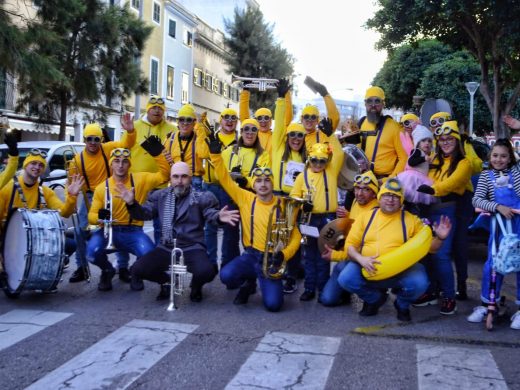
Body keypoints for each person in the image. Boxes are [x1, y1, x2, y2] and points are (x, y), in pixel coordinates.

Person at [117, 162, 240, 301]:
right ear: (170, 178)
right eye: (175, 177)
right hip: (166, 246)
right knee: (137, 270)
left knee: (207, 271)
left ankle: (196, 286)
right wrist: (131, 204)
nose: (179, 181)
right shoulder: (160, 196)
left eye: (184, 177)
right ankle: (166, 282)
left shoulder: (202, 197)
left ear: (190, 178)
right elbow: (145, 214)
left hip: (192, 246)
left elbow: (210, 213)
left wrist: (219, 216)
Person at [331, 178, 451, 321]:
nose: (390, 200)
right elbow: (350, 246)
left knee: (420, 282)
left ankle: (402, 304)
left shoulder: (412, 220)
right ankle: (374, 299)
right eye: (387, 195)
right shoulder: (365, 217)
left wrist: (440, 238)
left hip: (401, 271)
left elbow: (431, 249)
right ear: (380, 198)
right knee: (346, 278)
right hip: (367, 267)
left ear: (401, 200)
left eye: (395, 196)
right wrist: (361, 259)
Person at [208, 134, 301, 312]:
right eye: (258, 181)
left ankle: (267, 281)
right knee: (226, 276)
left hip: (272, 259)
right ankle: (248, 283)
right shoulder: (245, 198)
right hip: (251, 255)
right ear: (253, 184)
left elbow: (295, 234)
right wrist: (215, 155)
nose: (263, 184)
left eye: (267, 180)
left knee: (274, 305)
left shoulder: (283, 204)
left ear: (272, 183)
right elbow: (225, 179)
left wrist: (284, 255)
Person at [86, 147, 170, 292]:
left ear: (129, 164)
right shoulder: (101, 188)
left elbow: (164, 175)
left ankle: (136, 272)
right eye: (116, 161)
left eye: (125, 161)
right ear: (111, 164)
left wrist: (158, 155)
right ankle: (107, 270)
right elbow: (91, 216)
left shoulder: (141, 179)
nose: (120, 165)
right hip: (109, 231)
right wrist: (103, 217)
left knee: (149, 254)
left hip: (133, 231)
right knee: (91, 253)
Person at [414, 121, 472, 314]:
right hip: (428, 210)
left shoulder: (464, 163)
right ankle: (431, 291)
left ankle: (449, 296)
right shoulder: (434, 159)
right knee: (426, 253)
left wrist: (433, 189)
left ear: (457, 140)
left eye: (450, 139)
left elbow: (452, 183)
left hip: (447, 210)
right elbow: (418, 173)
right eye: (442, 139)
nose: (446, 142)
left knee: (441, 254)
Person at [68, 121, 136, 283]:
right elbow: (70, 184)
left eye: (96, 139)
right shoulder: (77, 160)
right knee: (80, 232)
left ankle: (123, 267)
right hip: (90, 197)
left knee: (119, 227)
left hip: (112, 194)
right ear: (84, 139)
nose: (93, 143)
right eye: (89, 139)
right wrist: (70, 198)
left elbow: (127, 144)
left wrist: (130, 131)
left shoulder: (108, 149)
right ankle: (82, 267)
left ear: (101, 139)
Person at [429, 111, 482, 300]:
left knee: (459, 244)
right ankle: (435, 285)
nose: (444, 139)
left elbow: (476, 165)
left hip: (461, 198)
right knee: (438, 245)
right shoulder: (435, 154)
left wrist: (463, 152)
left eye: (441, 122)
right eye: (434, 123)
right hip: (439, 203)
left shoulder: (464, 146)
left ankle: (461, 285)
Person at [469, 139, 520, 329]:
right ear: (490, 157)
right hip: (499, 228)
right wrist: (497, 206)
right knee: (493, 264)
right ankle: (488, 304)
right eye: (495, 155)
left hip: (518, 225)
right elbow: (477, 200)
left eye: (504, 156)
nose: (499, 159)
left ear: (510, 159)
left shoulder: (516, 173)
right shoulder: (485, 176)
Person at [290, 136, 343, 302]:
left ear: (327, 161)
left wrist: (331, 136)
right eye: (314, 160)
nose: (318, 164)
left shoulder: (331, 171)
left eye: (322, 161)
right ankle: (309, 288)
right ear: (309, 159)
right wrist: (301, 204)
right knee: (310, 255)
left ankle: (323, 288)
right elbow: (293, 196)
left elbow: (339, 154)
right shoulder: (302, 176)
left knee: (324, 255)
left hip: (328, 219)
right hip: (309, 219)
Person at [122, 95, 177, 245]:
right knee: (131, 223)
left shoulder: (172, 129)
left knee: (161, 226)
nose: (157, 111)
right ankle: (124, 264)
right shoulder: (134, 126)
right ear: (148, 109)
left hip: (161, 185)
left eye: (160, 108)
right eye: (154, 108)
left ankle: (160, 258)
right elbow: (122, 150)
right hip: (136, 185)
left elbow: (176, 155)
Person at [320, 170, 380, 306]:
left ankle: (374, 294)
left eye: (366, 189)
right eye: (357, 188)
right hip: (349, 254)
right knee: (326, 299)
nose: (359, 193)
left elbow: (360, 249)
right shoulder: (355, 202)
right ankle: (346, 288)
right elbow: (356, 224)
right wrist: (347, 216)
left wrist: (335, 255)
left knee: (329, 295)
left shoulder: (375, 212)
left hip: (364, 260)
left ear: (374, 193)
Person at [201, 108, 241, 270]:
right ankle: (210, 262)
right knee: (209, 226)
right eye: (226, 117)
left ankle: (226, 263)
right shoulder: (213, 136)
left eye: (233, 118)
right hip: (210, 186)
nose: (230, 121)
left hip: (229, 188)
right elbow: (202, 154)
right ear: (221, 119)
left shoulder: (240, 140)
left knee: (229, 227)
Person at [0, 149, 84, 223]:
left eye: (41, 165)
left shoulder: (45, 192)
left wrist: (72, 196)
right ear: (25, 166)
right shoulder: (8, 188)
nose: (37, 167)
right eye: (33, 163)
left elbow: (65, 213)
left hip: (33, 239)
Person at [358, 86, 407, 178]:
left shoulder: (395, 127)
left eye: (377, 101)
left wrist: (389, 180)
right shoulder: (360, 124)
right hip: (361, 180)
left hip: (383, 182)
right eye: (369, 101)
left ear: (383, 104)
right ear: (365, 104)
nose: (373, 105)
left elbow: (404, 158)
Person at [163, 104, 208, 191]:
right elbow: (163, 161)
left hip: (194, 180)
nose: (185, 123)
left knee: (194, 204)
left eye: (189, 120)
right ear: (178, 122)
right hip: (177, 179)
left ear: (194, 123)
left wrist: (199, 127)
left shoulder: (199, 137)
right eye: (181, 119)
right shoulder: (170, 138)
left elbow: (204, 154)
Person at [239, 83, 293, 154]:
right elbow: (244, 118)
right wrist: (245, 91)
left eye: (266, 118)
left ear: (270, 120)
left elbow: (286, 120)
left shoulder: (277, 136)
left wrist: (286, 94)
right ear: (255, 120)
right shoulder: (251, 135)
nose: (263, 121)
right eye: (260, 118)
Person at [397, 125, 436, 216]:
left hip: (422, 179)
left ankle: (419, 216)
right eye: (423, 141)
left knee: (418, 202)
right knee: (408, 199)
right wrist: (424, 159)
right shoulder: (416, 151)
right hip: (412, 178)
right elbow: (411, 162)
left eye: (429, 141)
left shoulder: (428, 155)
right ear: (418, 143)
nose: (427, 143)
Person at [221, 118, 271, 190]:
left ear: (257, 133)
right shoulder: (229, 151)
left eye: (253, 130)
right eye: (246, 129)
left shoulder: (263, 155)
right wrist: (231, 174)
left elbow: (264, 179)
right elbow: (219, 173)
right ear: (241, 132)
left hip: (249, 195)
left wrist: (246, 181)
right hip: (228, 193)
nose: (250, 133)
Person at [301, 77, 340, 152]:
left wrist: (325, 95)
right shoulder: (296, 136)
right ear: (302, 119)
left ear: (317, 120)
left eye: (313, 117)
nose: (309, 120)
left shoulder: (323, 135)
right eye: (306, 116)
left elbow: (334, 118)